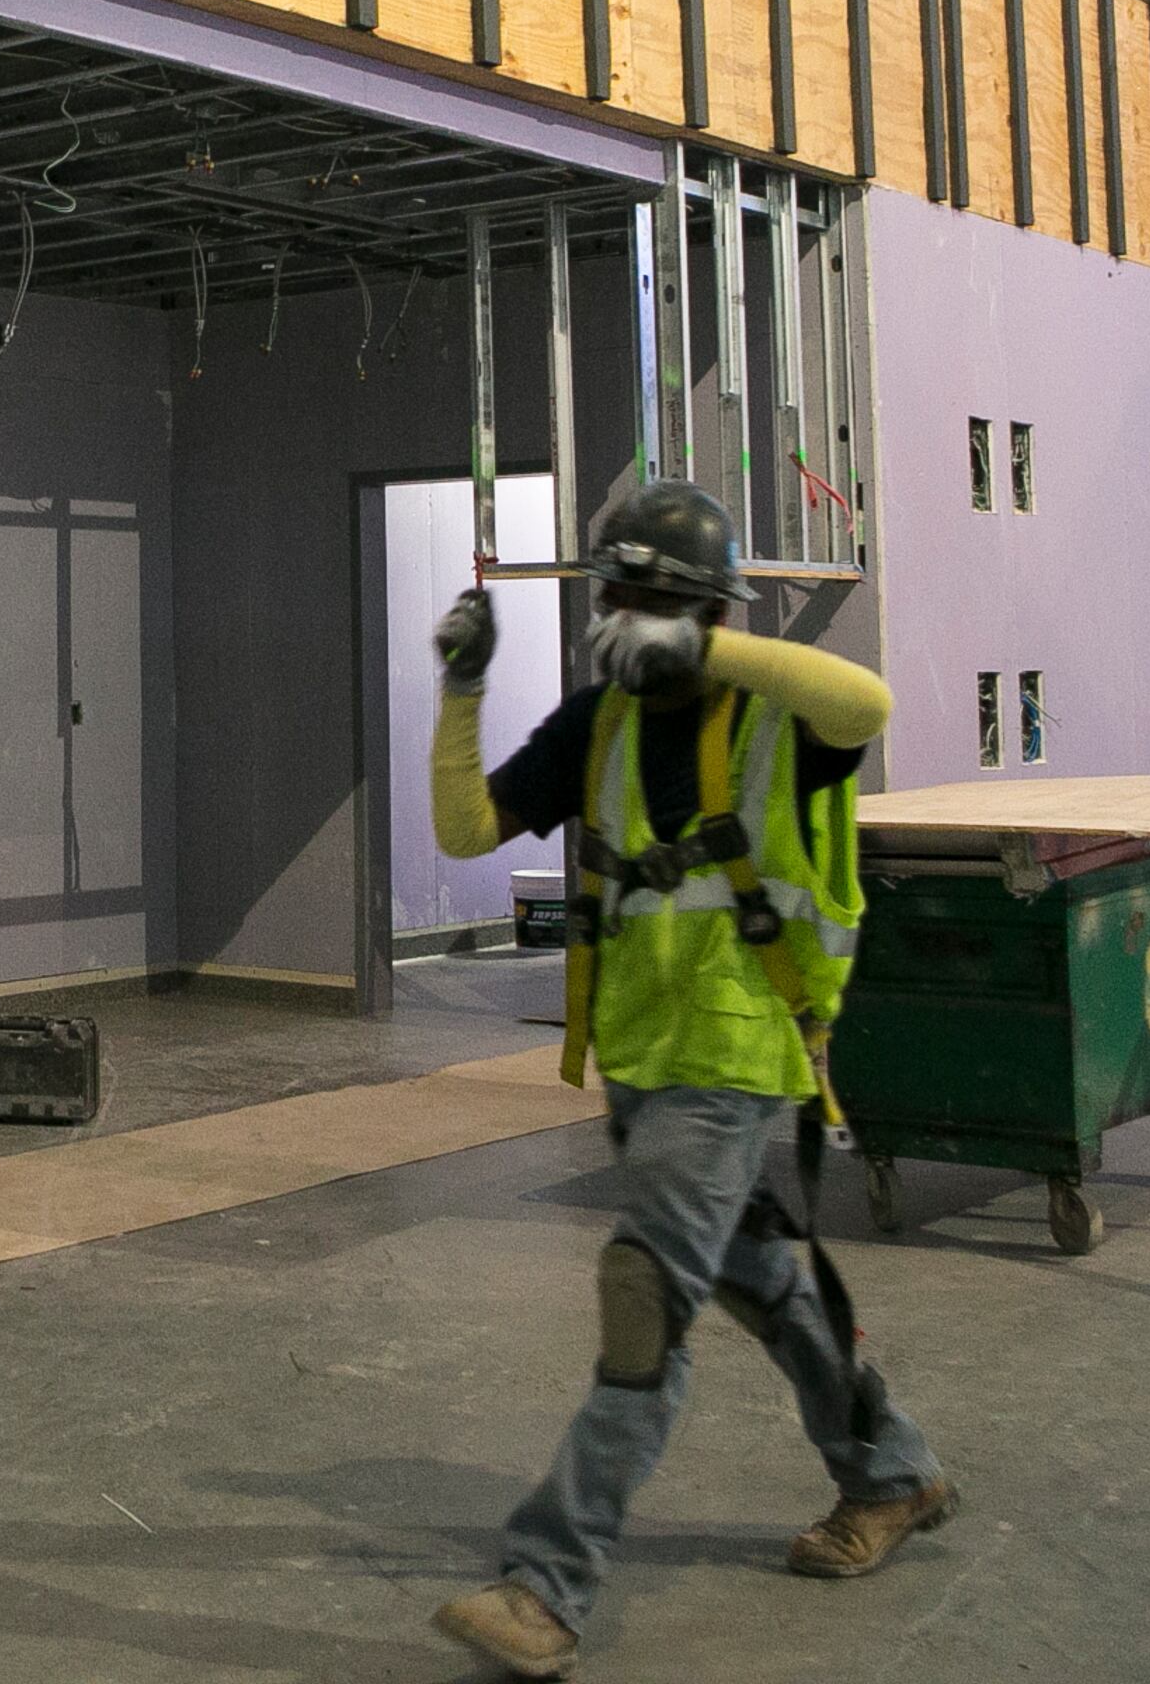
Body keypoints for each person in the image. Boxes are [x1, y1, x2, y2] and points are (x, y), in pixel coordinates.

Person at [423, 480, 956, 1680]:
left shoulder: (781, 720)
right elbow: (466, 829)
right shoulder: (598, 721)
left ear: (709, 609)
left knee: (642, 1298)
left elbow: (866, 697)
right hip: (642, 1060)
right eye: (618, 595)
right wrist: (461, 686)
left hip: (738, 1053)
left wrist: (710, 639)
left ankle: (547, 1584)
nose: (630, 619)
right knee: (772, 1287)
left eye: (657, 599)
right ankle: (898, 1472)